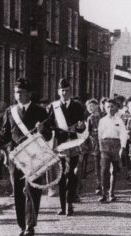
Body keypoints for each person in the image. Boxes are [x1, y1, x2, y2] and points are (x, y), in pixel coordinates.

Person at [1, 78, 52, 236]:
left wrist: (43, 129)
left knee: (32, 190)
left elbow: (49, 135)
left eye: (22, 92)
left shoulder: (40, 111)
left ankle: (30, 225)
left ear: (29, 94)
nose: (19, 95)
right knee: (18, 190)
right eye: (17, 92)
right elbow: (6, 135)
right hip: (16, 158)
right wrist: (0, 142)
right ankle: (22, 225)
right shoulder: (10, 111)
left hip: (34, 156)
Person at [48, 78, 86, 216]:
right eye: (62, 90)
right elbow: (49, 125)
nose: (64, 93)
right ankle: (63, 206)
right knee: (62, 175)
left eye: (67, 90)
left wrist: (81, 127)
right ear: (58, 92)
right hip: (60, 144)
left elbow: (82, 126)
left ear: (71, 91)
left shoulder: (78, 106)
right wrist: (59, 131)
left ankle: (70, 203)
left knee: (72, 174)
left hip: (74, 144)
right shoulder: (53, 107)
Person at [97, 99, 128, 202]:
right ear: (105, 108)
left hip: (116, 145)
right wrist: (101, 147)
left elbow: (123, 134)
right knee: (104, 169)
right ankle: (103, 193)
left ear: (116, 108)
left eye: (112, 107)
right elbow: (100, 135)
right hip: (105, 146)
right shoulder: (102, 121)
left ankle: (111, 192)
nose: (110, 109)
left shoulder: (119, 121)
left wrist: (122, 147)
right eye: (108, 107)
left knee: (114, 170)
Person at [85, 98, 102, 195]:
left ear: (97, 106)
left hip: (104, 142)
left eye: (92, 106)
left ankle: (105, 184)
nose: (90, 108)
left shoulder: (103, 116)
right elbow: (88, 132)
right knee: (97, 166)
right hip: (95, 144)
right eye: (88, 107)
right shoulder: (89, 118)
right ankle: (98, 184)